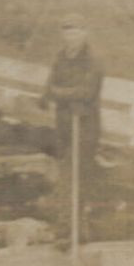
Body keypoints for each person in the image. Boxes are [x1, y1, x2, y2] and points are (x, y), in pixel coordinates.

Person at [40, 12, 104, 209]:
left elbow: (87, 92)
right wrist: (56, 93)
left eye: (75, 33)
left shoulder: (93, 59)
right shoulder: (61, 57)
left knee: (78, 172)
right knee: (64, 168)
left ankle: (80, 221)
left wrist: (59, 93)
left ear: (85, 33)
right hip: (64, 122)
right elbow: (49, 87)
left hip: (85, 124)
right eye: (67, 34)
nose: (71, 38)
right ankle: (65, 218)